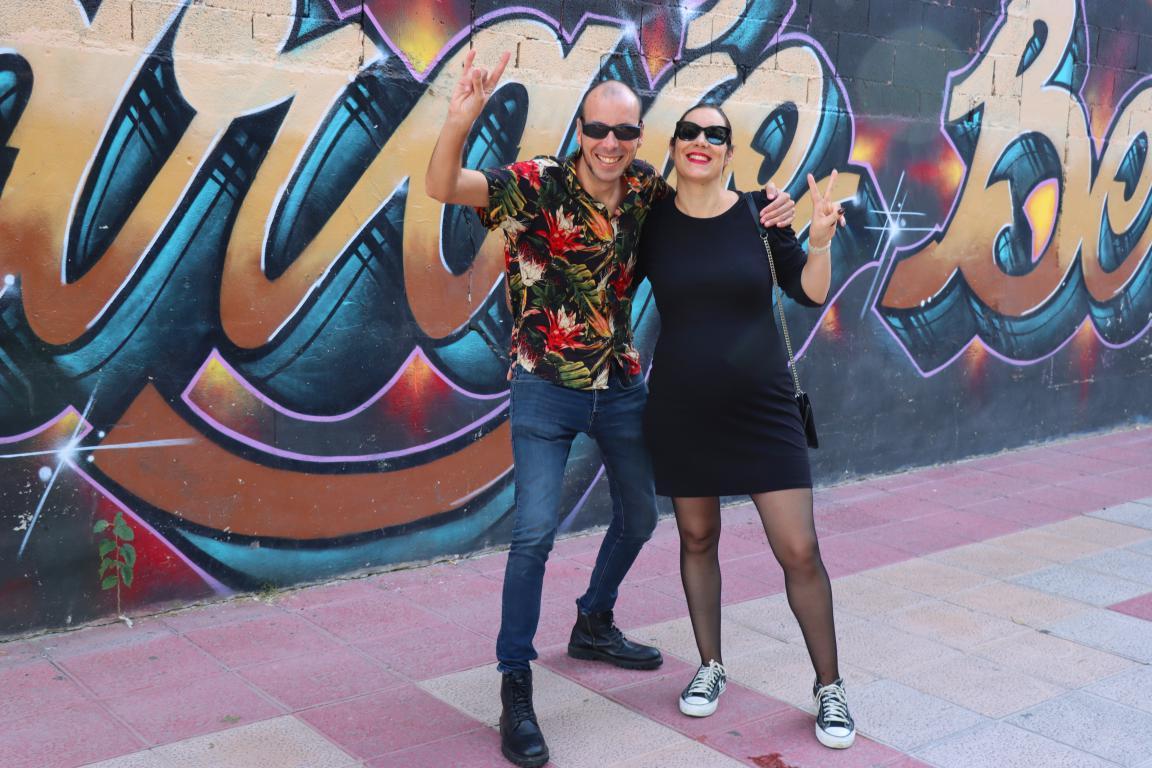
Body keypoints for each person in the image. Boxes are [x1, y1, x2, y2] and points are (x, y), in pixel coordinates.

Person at [425, 52, 796, 767]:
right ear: (581, 130)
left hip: (621, 386)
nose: (609, 142)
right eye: (597, 128)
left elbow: (707, 201)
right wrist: (460, 118)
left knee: (640, 516)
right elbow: (445, 184)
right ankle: (515, 681)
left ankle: (593, 620)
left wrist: (767, 205)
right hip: (544, 388)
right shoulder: (537, 183)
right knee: (534, 533)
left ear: (637, 138)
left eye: (624, 132)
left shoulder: (647, 190)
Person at [637, 103, 855, 749]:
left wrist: (820, 241)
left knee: (799, 548)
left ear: (729, 153)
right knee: (697, 537)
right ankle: (710, 665)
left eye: (716, 135)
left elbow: (808, 291)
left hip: (764, 406)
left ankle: (830, 686)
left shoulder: (762, 213)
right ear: (673, 146)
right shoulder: (651, 223)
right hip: (682, 405)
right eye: (689, 132)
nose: (701, 141)